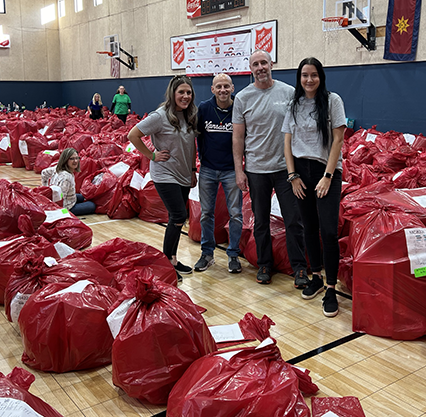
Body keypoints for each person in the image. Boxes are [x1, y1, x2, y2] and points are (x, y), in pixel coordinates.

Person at [232, 49, 309, 288]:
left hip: (286, 170)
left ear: (271, 64)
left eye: (263, 62)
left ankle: (299, 267)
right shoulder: (242, 98)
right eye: (255, 64)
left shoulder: (289, 92)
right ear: (251, 68)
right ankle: (265, 264)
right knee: (261, 221)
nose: (260, 67)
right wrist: (239, 169)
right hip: (256, 170)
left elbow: (302, 128)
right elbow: (237, 138)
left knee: (293, 220)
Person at [283, 57, 346, 317]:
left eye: (314, 75)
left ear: (321, 77)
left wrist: (328, 175)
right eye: (304, 75)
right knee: (308, 227)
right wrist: (292, 175)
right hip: (301, 171)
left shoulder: (333, 101)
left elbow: (338, 139)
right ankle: (317, 276)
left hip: (325, 172)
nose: (309, 80)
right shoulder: (294, 104)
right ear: (299, 78)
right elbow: (287, 141)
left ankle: (331, 287)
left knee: (329, 231)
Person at [127, 75, 198, 282]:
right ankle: (167, 262)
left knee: (177, 219)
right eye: (181, 92)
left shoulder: (189, 115)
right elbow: (133, 134)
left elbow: (192, 145)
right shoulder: (160, 116)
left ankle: (173, 259)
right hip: (164, 173)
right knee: (178, 215)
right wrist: (151, 155)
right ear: (172, 94)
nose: (185, 96)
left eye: (188, 92)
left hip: (184, 173)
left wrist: (193, 169)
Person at [194, 73, 243, 273]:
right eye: (218, 87)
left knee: (236, 214)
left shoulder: (239, 108)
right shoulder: (204, 109)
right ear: (212, 89)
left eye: (226, 86)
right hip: (207, 169)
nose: (223, 90)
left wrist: (241, 168)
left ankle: (233, 255)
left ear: (232, 88)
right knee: (206, 214)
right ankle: (207, 254)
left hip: (232, 170)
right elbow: (194, 137)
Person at [41, 148, 96, 216]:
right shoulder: (66, 178)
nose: (75, 161)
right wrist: (63, 212)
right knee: (92, 205)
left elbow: (43, 173)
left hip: (63, 197)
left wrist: (45, 186)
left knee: (82, 196)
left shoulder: (57, 168)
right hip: (68, 206)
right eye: (72, 159)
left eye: (77, 158)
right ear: (65, 160)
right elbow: (61, 198)